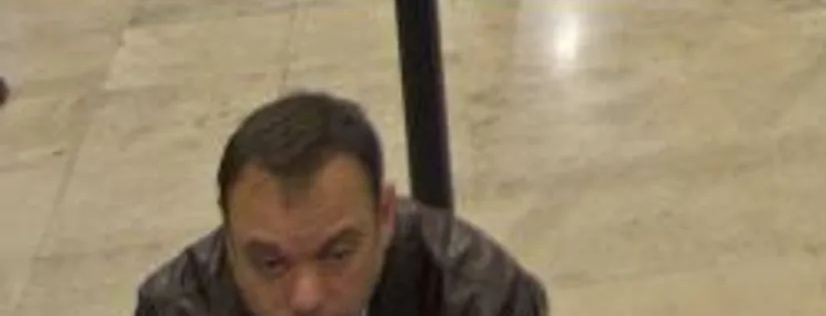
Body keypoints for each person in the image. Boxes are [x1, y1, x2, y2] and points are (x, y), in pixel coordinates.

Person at [133, 91, 546, 316]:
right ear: (228, 240)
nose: (306, 299)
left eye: (337, 254)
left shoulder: (475, 295)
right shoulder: (178, 308)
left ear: (384, 217)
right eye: (271, 264)